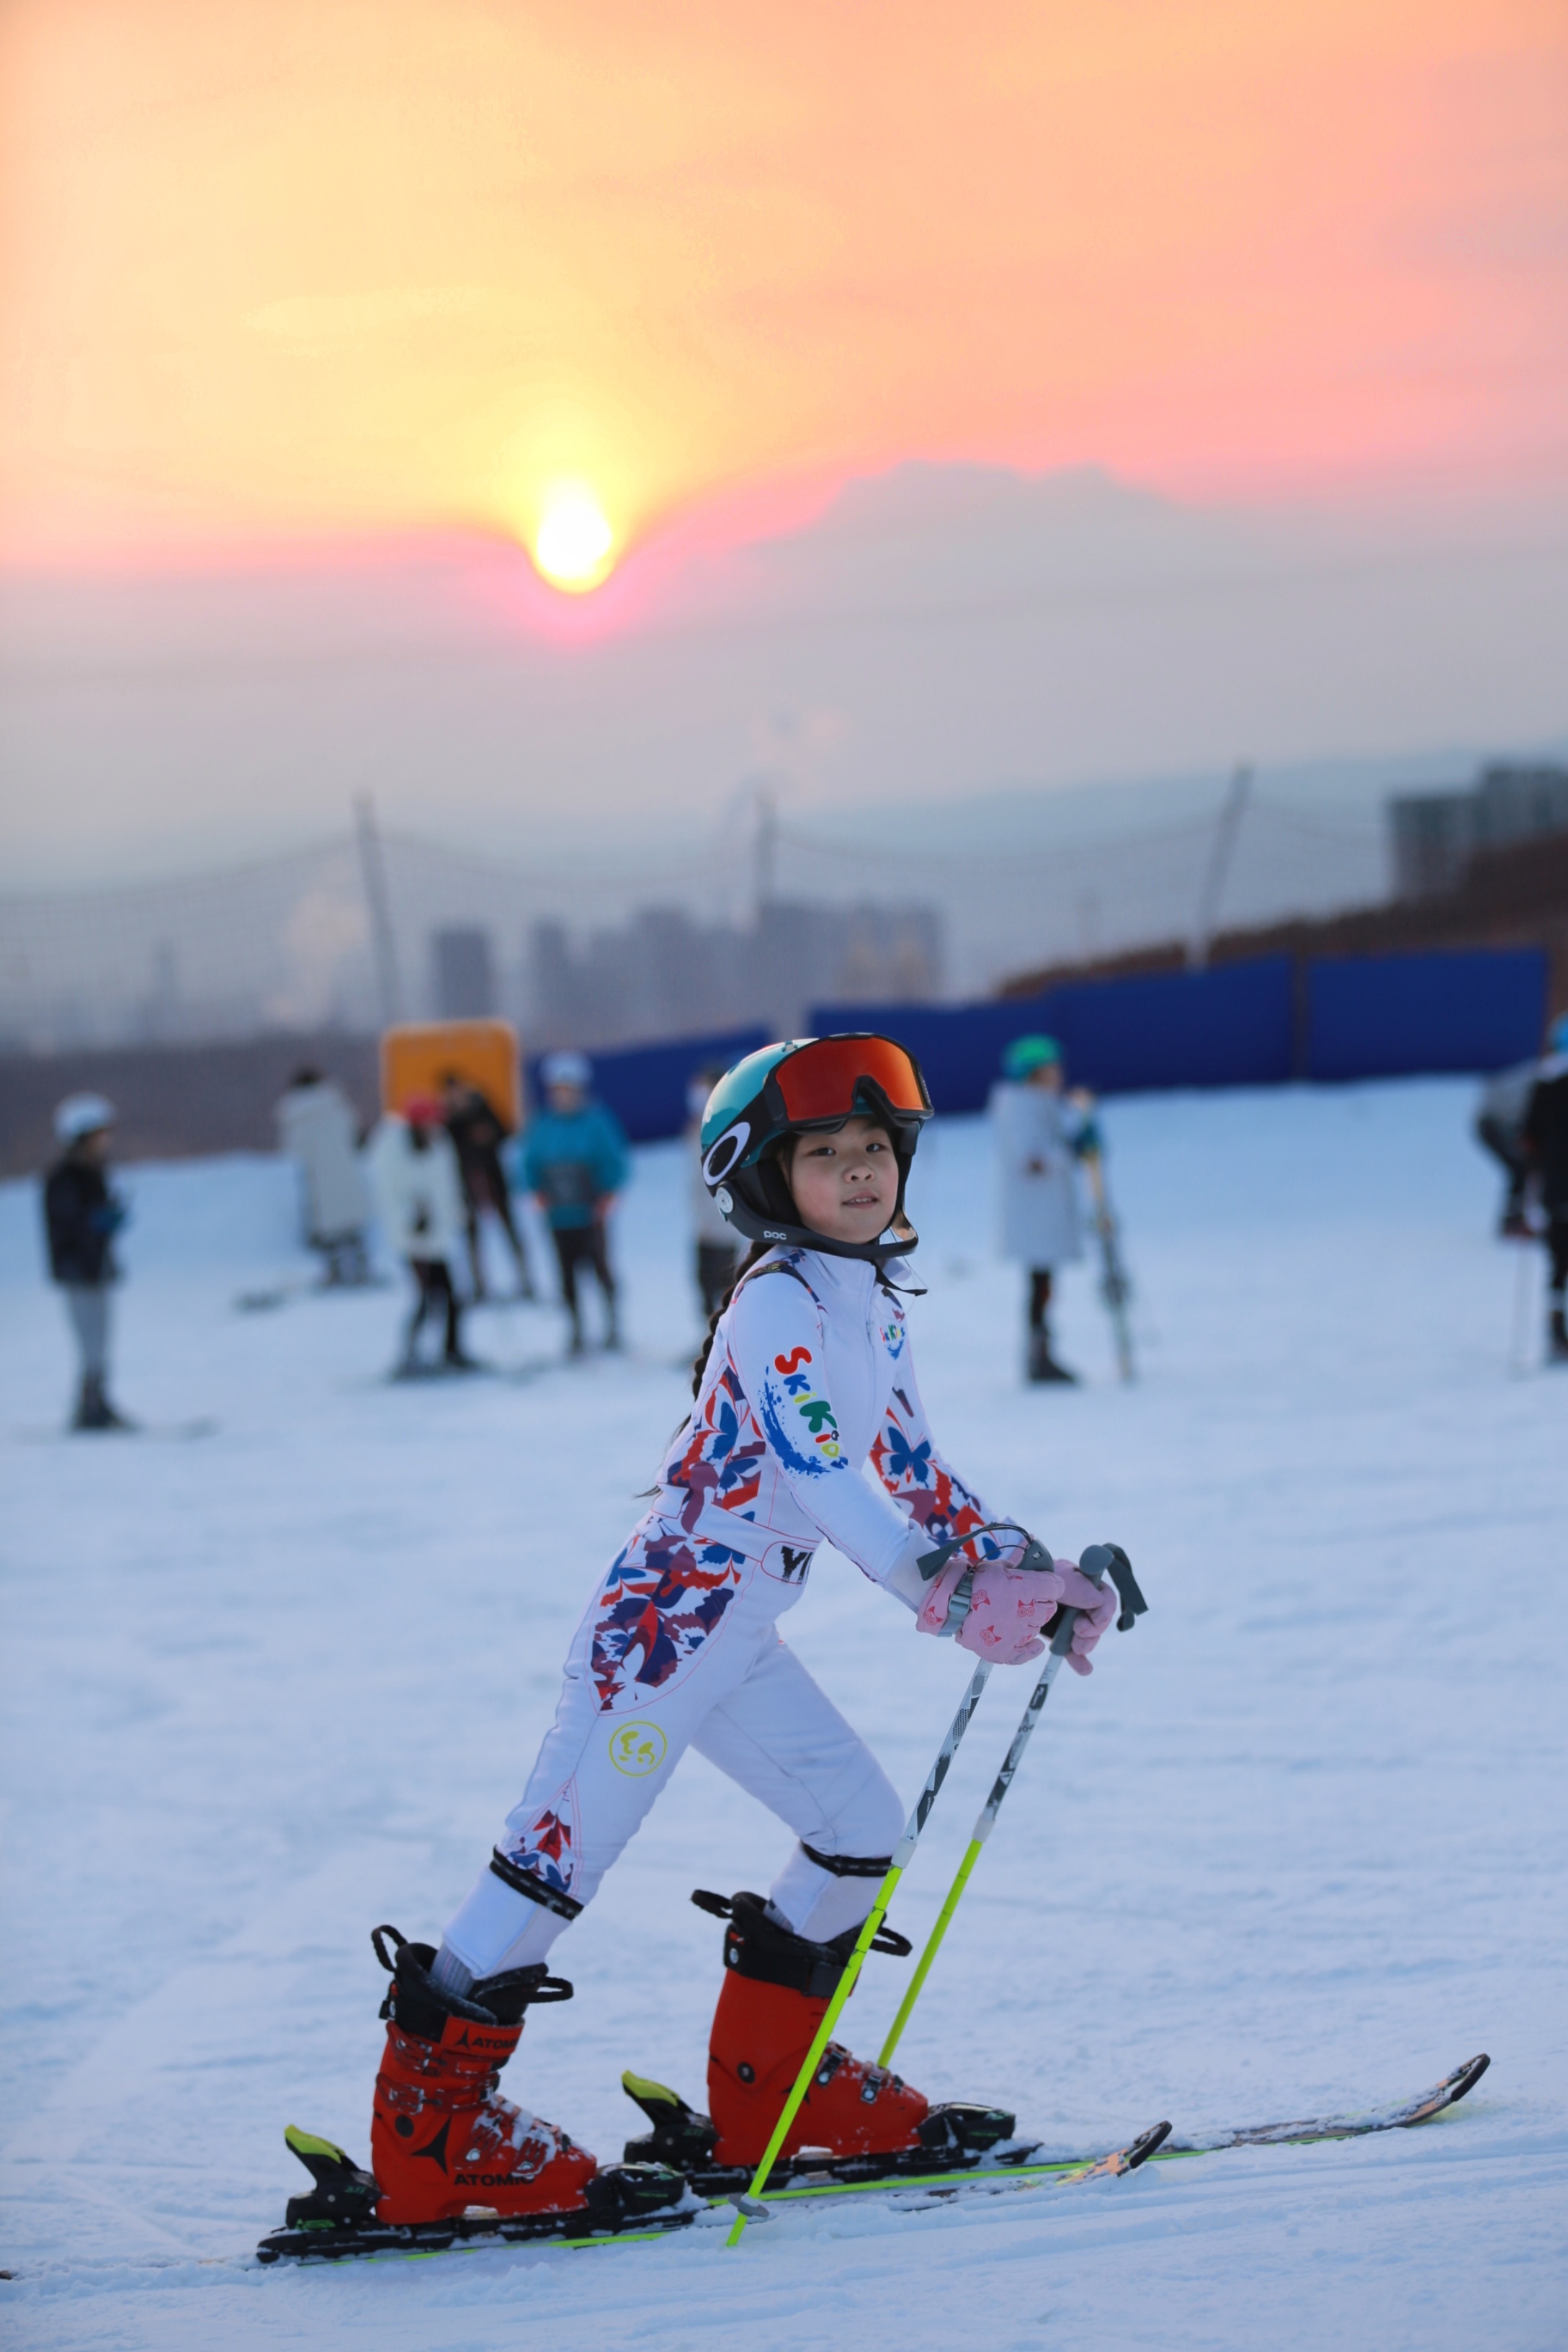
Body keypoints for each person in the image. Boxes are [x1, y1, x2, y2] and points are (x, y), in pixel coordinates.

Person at [348, 1034, 1119, 2232]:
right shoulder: (774, 1306)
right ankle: (431, 2140)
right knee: (551, 1865)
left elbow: (911, 1470)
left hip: (740, 1631)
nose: (862, 1174)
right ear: (768, 1177)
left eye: (877, 1149)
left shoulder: (868, 1296)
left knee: (860, 1827)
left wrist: (1033, 1570)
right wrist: (953, 1599)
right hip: (662, 1630)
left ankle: (773, 2098)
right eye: (827, 1155)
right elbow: (828, 1480)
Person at [990, 1034, 1100, 1385]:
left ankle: (1042, 1353)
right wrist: (1070, 1150)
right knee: (1039, 1285)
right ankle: (1039, 1357)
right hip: (1034, 1216)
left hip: (1042, 1214)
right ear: (1034, 1074)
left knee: (1043, 1284)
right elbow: (1032, 1160)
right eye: (1051, 1069)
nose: (1059, 1076)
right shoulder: (1020, 1106)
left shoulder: (1035, 1103)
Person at [521, 1051, 630, 1356]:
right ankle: (576, 1331)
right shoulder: (542, 1125)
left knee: (601, 1269)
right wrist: (535, 1190)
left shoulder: (597, 1122)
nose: (563, 1096)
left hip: (591, 1213)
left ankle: (612, 1326)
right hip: (559, 1216)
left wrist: (608, 1194)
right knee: (566, 1275)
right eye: (558, 1090)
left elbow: (615, 1161)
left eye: (569, 1090)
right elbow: (529, 1163)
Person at [367, 1095, 477, 1376]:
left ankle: (452, 1351)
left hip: (437, 1237)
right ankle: (411, 1353)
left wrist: (458, 1214)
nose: (432, 1129)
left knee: (452, 1296)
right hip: (411, 1239)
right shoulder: (392, 1150)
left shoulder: (439, 1146)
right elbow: (388, 1194)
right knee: (426, 1296)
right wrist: (408, 1217)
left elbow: (448, 1186)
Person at [42, 1094, 134, 1431]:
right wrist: (98, 1221)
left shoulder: (95, 1173)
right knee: (90, 1344)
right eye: (98, 1135)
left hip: (98, 1270)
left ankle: (100, 1403)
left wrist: (110, 1219)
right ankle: (89, 1408)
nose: (105, 1142)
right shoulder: (65, 1176)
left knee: (102, 1341)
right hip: (77, 1272)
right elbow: (68, 1223)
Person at [439, 1073, 536, 1302]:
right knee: (472, 1236)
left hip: (493, 1178)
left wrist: (488, 1135)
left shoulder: (482, 1106)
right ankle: (478, 1284)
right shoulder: (448, 1118)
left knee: (510, 1229)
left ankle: (525, 1278)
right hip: (465, 1182)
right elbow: (446, 1147)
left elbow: (505, 1131)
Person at [273, 1066, 372, 1286]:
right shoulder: (337, 1104)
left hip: (319, 1177)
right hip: (346, 1172)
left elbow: (294, 1150)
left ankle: (336, 1273)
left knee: (329, 1232)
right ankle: (362, 1270)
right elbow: (356, 1134)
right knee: (353, 1230)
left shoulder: (295, 1114)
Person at [1522, 1012, 1568, 1364]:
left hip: (1556, 1191)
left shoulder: (1544, 1084)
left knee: (1559, 1262)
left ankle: (1557, 1331)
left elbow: (1528, 1139)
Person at [686, 1063, 739, 1320]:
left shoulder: (732, 1127)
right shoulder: (695, 1129)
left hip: (728, 1229)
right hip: (703, 1226)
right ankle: (709, 1339)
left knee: (727, 1288)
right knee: (704, 1287)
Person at [1474, 1059, 1538, 1239]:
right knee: (1520, 1168)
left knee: (1524, 1168)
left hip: (1504, 1120)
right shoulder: (1543, 1081)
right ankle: (1513, 1221)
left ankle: (1515, 1219)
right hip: (1492, 1122)